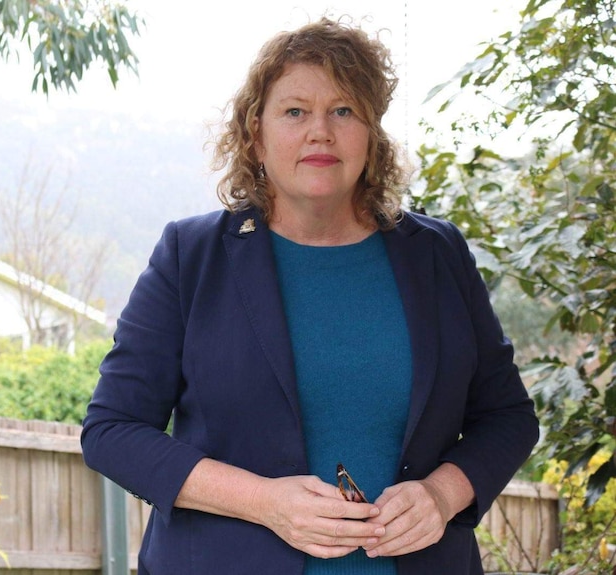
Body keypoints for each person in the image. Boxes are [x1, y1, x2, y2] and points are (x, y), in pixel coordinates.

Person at [81, 17, 539, 575]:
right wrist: (266, 503)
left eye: (344, 111)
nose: (319, 131)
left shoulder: (437, 255)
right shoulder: (191, 256)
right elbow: (113, 432)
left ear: (371, 135)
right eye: (295, 111)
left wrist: (443, 495)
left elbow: (508, 416)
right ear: (256, 134)